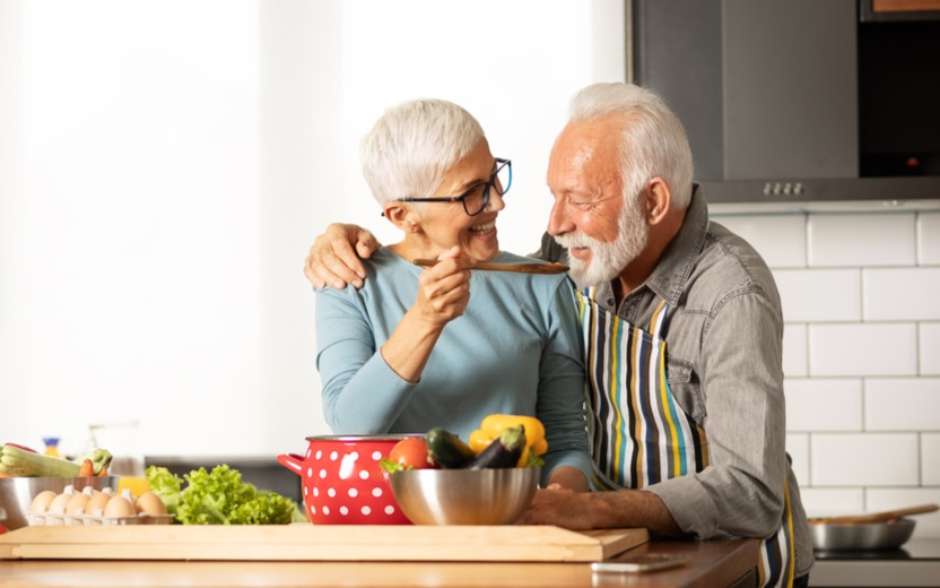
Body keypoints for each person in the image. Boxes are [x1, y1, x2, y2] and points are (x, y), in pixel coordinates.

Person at [304, 83, 813, 587]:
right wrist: (341, 238)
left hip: (737, 565)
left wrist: (583, 509)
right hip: (623, 557)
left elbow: (750, 492)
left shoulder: (729, 292)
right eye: (553, 195)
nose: (553, 223)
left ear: (652, 201)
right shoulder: (571, 257)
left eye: (580, 199)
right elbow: (354, 414)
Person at [315, 98, 592, 491]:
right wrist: (425, 320)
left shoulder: (543, 284)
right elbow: (350, 426)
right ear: (402, 216)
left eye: (494, 177)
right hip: (389, 532)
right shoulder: (349, 280)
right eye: (471, 193)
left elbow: (565, 441)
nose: (497, 201)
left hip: (511, 526)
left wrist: (564, 499)